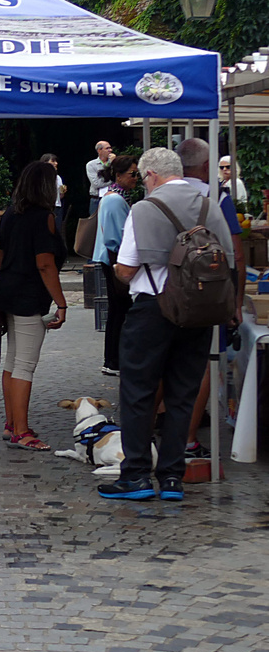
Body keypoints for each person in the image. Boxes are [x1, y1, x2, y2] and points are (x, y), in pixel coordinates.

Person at [102, 146, 235, 502]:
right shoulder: (210, 206)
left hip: (153, 309)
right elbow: (229, 262)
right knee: (183, 394)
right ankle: (173, 478)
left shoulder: (145, 209)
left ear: (151, 176)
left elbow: (127, 269)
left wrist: (118, 271)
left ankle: (136, 476)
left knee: (139, 392)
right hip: (199, 310)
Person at [176, 138, 246, 459]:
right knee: (205, 363)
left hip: (167, 292)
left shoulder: (158, 195)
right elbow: (237, 255)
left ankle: (147, 431)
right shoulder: (217, 197)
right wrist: (236, 302)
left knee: (164, 360)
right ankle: (188, 439)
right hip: (208, 291)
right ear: (206, 167)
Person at [0, 160, 68, 452]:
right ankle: (21, 431)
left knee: (13, 360)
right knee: (25, 364)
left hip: (8, 291)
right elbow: (45, 264)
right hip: (29, 297)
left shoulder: (11, 213)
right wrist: (61, 303)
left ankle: (12, 423)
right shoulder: (44, 217)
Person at [92, 155, 139, 377]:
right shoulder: (114, 200)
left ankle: (113, 360)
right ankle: (113, 360)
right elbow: (117, 237)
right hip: (114, 260)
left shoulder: (116, 198)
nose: (136, 178)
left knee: (118, 311)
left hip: (111, 259)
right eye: (132, 174)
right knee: (119, 311)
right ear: (118, 175)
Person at [40, 153, 68, 252]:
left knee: (57, 230)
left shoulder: (58, 177)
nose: (56, 163)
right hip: (46, 207)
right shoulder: (41, 177)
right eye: (53, 161)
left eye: (56, 161)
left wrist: (62, 192)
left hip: (57, 206)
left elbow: (60, 195)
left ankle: (56, 252)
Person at [86, 141, 113, 216]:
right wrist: (112, 180)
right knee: (95, 224)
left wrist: (113, 163)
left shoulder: (114, 163)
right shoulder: (91, 165)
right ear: (99, 150)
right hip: (96, 199)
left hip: (112, 197)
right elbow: (97, 184)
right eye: (107, 148)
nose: (110, 150)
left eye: (110, 148)